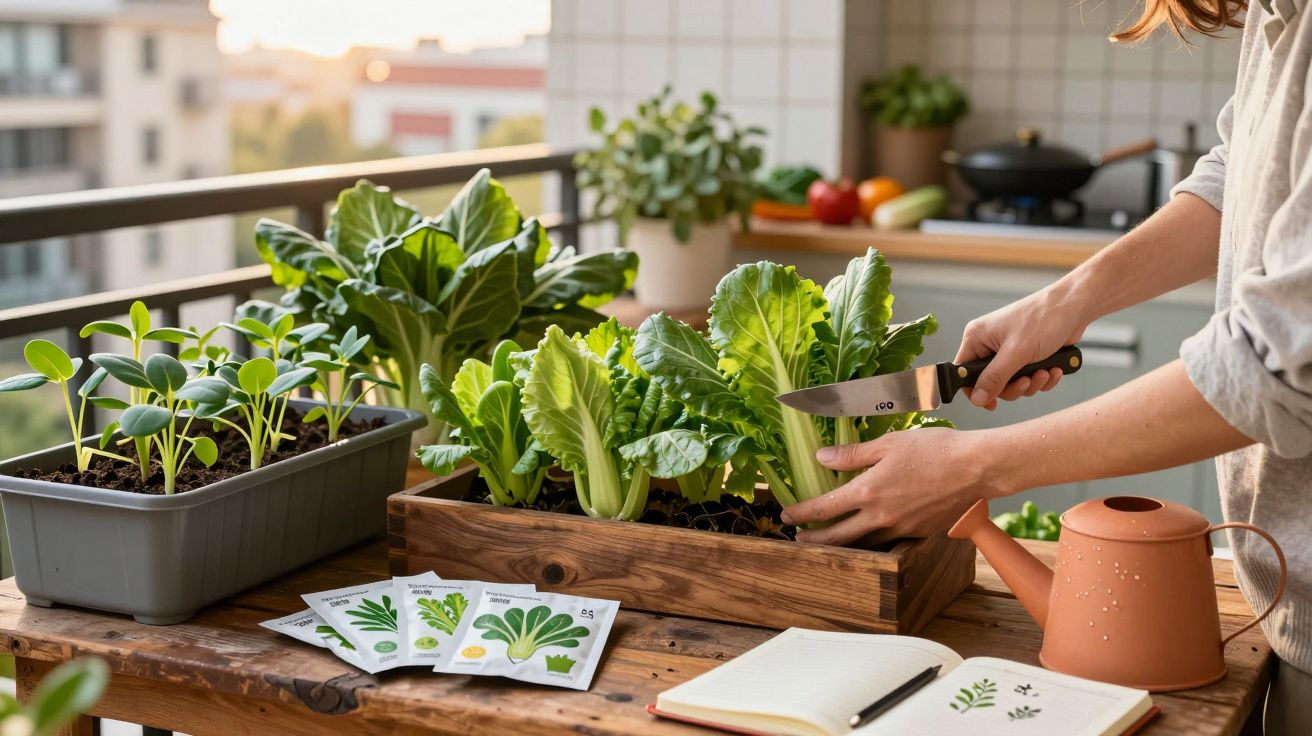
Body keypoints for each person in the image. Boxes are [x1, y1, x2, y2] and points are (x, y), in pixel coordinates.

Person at [778, 1, 1311, 732]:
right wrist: (1068, 299)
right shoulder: (1280, 16)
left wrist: (975, 466)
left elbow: (1278, 364)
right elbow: (1242, 173)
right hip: (1285, 612)